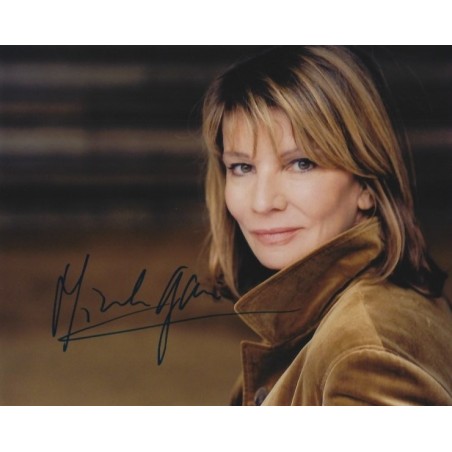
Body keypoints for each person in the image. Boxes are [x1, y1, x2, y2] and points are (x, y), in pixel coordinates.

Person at [201, 46, 452, 405]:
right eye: (242, 167)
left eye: (301, 163)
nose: (262, 202)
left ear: (366, 185)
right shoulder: (349, 311)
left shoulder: (364, 358)